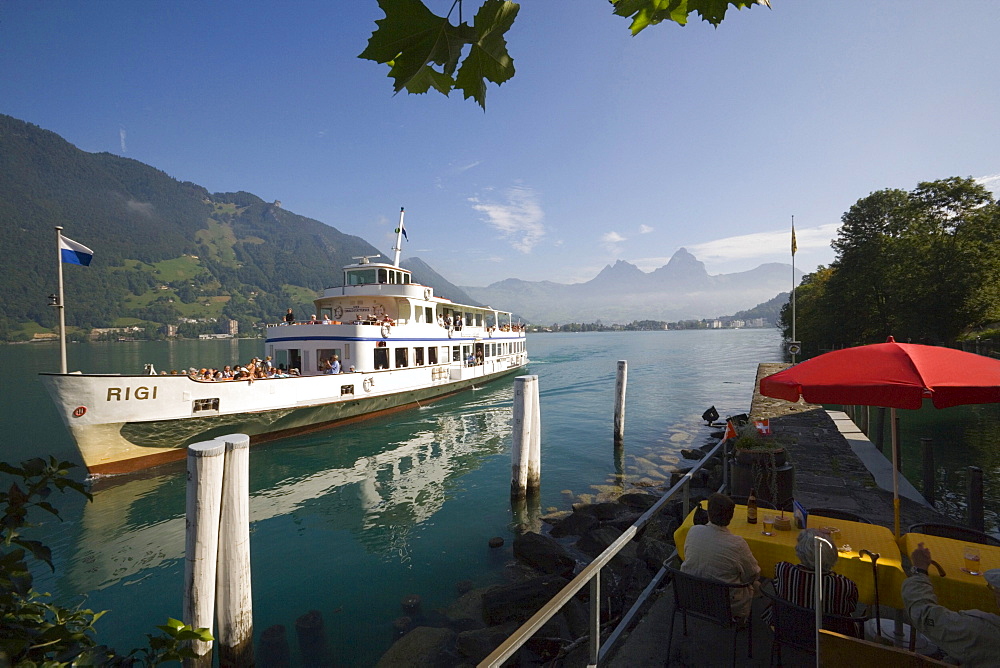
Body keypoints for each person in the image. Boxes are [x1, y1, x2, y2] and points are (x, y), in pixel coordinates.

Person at [902, 542, 1000, 665]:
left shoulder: (981, 631)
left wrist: (919, 571)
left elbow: (923, 613)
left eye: (995, 589)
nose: (994, 592)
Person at [680, 492, 760, 619]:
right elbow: (753, 575)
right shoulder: (737, 544)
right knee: (756, 585)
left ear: (709, 514)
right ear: (731, 517)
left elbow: (686, 556)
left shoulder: (693, 531)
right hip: (726, 606)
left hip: (692, 597)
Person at [765, 529, 860, 629]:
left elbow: (777, 587)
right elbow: (851, 607)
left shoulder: (783, 570)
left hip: (788, 629)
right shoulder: (843, 585)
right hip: (829, 637)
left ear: (799, 552)